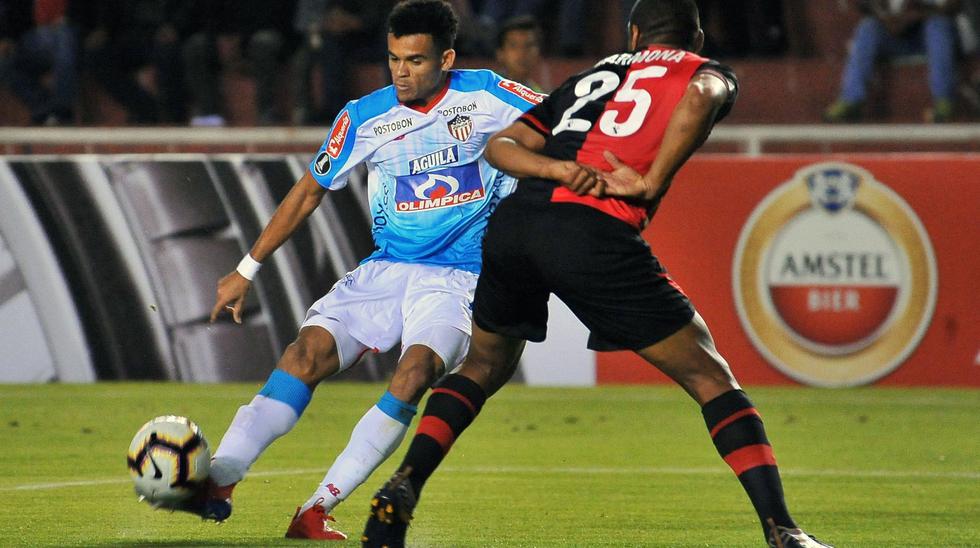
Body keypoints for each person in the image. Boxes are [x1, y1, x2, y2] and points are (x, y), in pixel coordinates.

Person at [361, 1, 833, 547]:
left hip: (514, 227)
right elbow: (703, 96)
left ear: (633, 33)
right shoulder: (700, 70)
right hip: (590, 233)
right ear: (696, 37)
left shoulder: (591, 76)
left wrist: (559, 168)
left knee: (483, 366)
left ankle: (404, 482)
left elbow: (500, 148)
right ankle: (783, 530)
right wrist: (651, 180)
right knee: (711, 379)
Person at [189, 0, 543, 540]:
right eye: (394, 58)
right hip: (388, 267)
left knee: (415, 372)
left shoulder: (490, 94)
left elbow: (565, 118)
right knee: (303, 355)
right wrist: (246, 268)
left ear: (446, 58)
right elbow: (309, 191)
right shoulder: (362, 116)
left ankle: (316, 509)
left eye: (417, 60)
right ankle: (221, 478)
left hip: (461, 277)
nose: (402, 71)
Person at [824, 0, 962, 123]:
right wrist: (886, 18)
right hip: (897, 35)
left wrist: (916, 15)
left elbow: (952, 6)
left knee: (938, 25)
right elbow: (869, 6)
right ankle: (851, 100)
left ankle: (944, 101)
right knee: (868, 27)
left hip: (933, 35)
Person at [290, 0, 394, 125]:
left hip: (373, 35)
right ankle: (334, 111)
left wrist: (353, 21)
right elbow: (310, 18)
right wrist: (328, 23)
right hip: (340, 36)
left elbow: (379, 14)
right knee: (328, 48)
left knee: (393, 45)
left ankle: (395, 106)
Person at [0, 0, 79, 125]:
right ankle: (45, 109)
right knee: (5, 63)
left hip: (71, 31)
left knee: (64, 37)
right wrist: (7, 37)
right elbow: (13, 14)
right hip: (32, 37)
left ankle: (62, 109)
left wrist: (69, 18)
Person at [495, 15, 547, 93]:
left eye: (528, 45)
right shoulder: (485, 88)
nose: (522, 52)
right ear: (500, 53)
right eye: (514, 45)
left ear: (538, 53)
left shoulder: (539, 98)